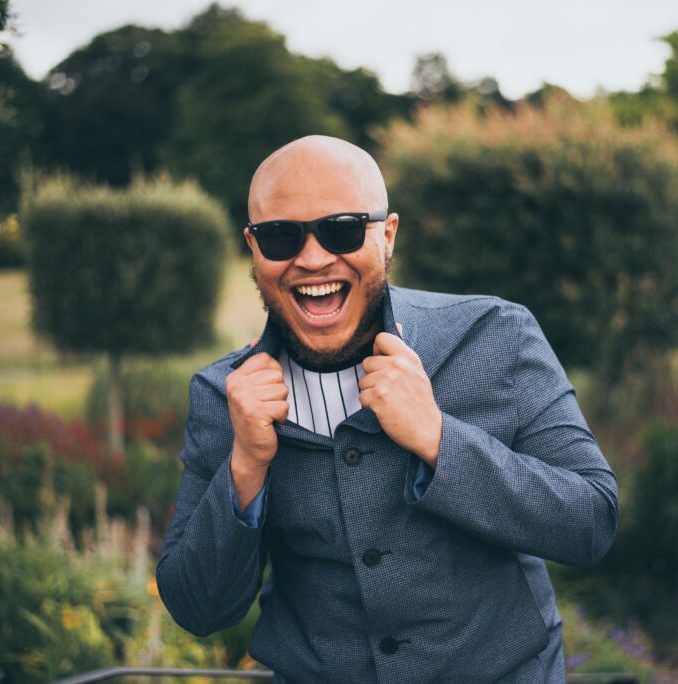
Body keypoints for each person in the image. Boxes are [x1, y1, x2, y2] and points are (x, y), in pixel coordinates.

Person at [156, 135, 618, 683]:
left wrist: (437, 438)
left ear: (387, 235)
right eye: (281, 236)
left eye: (342, 228)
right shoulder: (221, 395)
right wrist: (245, 469)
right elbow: (198, 609)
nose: (312, 258)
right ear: (253, 247)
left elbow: (590, 521)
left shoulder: (496, 336)